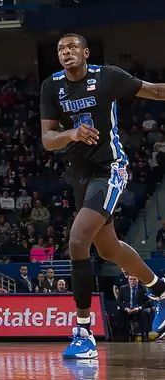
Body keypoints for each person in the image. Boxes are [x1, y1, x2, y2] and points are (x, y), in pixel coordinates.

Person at [41, 32, 165, 358]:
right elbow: (48, 139)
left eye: (71, 48)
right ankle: (161, 292)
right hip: (80, 175)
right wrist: (71, 133)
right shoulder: (51, 86)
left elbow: (154, 91)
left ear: (85, 52)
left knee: (77, 240)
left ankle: (84, 331)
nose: (65, 53)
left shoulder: (107, 76)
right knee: (109, 250)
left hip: (110, 168)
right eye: (60, 49)